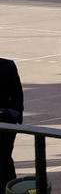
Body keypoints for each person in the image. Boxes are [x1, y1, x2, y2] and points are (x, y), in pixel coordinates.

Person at [0, 58, 21, 186]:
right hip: (7, 119)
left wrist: (15, 115)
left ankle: (8, 188)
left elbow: (17, 93)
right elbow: (17, 94)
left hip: (5, 120)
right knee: (5, 158)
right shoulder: (7, 65)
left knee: (5, 157)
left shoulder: (7, 65)